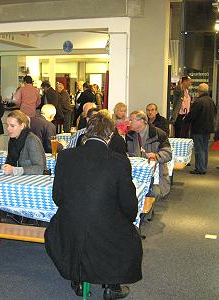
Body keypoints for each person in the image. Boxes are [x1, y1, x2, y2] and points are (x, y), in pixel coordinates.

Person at [45, 111, 142, 300]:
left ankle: (78, 278)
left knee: (76, 227)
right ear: (110, 134)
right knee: (126, 234)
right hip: (105, 228)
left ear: (87, 132)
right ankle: (112, 285)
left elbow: (57, 197)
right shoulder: (120, 162)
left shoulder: (65, 157)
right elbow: (129, 207)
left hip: (70, 225)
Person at [126, 110, 172, 202]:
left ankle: (146, 215)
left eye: (132, 120)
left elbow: (168, 154)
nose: (129, 123)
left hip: (156, 177)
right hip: (135, 176)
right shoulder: (129, 136)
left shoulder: (159, 134)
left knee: (153, 194)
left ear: (142, 121)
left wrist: (156, 156)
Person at [183, 83, 216, 175]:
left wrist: (185, 119)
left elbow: (192, 115)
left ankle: (200, 168)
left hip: (198, 128)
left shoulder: (199, 101)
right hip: (207, 128)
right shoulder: (210, 101)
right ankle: (203, 167)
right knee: (205, 148)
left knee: (199, 149)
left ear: (199, 91)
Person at [1, 110, 46, 176]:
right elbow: (9, 163)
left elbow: (40, 168)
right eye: (7, 125)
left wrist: (15, 170)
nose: (8, 129)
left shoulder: (32, 140)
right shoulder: (12, 140)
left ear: (22, 126)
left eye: (12, 126)